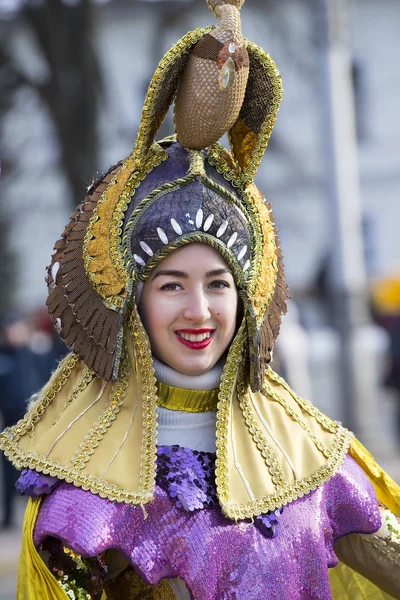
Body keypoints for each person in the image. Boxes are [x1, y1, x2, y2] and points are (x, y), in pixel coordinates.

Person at [1, 1, 400, 598]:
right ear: (131, 300)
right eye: (170, 286)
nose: (199, 310)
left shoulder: (309, 460)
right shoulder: (83, 491)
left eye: (218, 284)